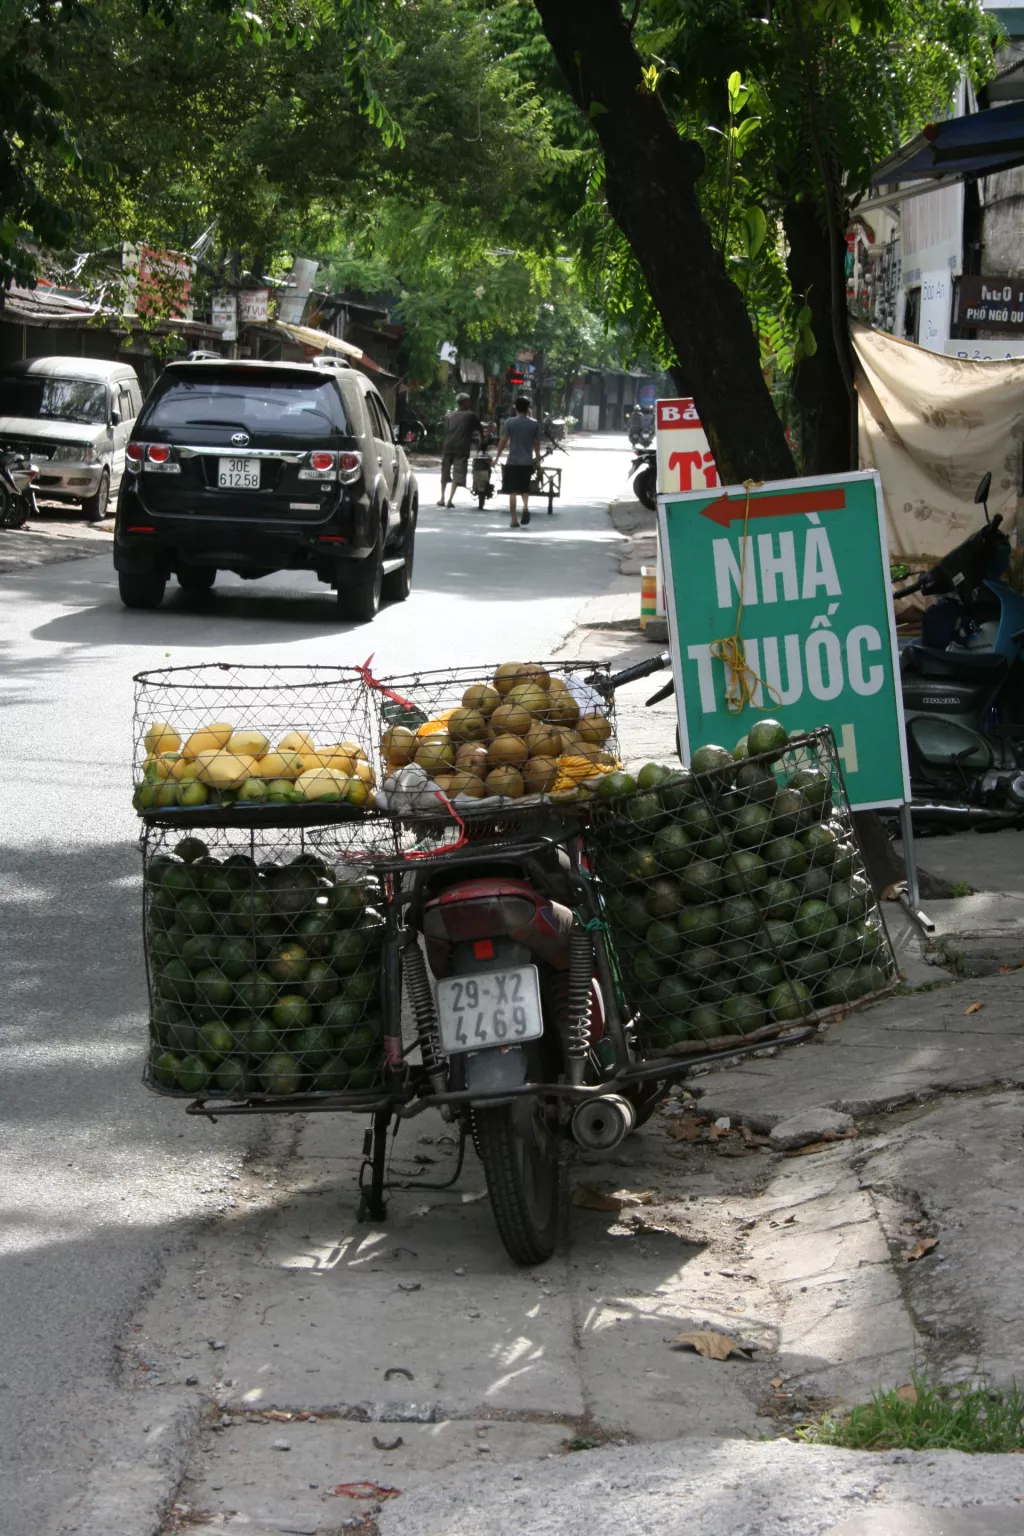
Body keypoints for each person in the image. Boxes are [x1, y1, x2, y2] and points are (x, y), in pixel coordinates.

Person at [494, 394, 542, 528]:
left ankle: (514, 519)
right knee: (525, 489)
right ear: (528, 409)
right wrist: (537, 459)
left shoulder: (510, 422)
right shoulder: (534, 423)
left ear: (516, 408)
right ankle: (525, 506)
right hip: (526, 462)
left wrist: (497, 457)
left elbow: (503, 440)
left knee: (513, 491)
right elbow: (536, 443)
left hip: (513, 461)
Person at [439, 392, 483, 508]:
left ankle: (442, 498)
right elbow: (480, 430)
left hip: (448, 447)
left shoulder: (449, 415)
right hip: (461, 448)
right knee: (457, 474)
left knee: (444, 473)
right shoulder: (471, 415)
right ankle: (449, 500)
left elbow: (446, 431)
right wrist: (481, 444)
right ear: (467, 403)